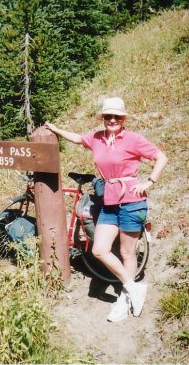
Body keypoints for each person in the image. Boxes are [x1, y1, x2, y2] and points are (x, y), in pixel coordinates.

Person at [45, 97, 168, 322]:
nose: (112, 120)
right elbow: (77, 138)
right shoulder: (97, 138)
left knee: (127, 253)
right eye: (108, 116)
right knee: (99, 249)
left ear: (123, 119)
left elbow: (161, 157)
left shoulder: (132, 139)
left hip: (132, 201)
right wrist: (55, 129)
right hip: (109, 202)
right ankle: (133, 288)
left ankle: (124, 298)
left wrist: (149, 182)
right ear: (102, 118)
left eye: (117, 117)